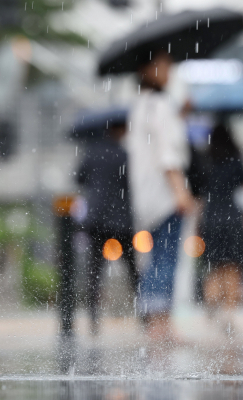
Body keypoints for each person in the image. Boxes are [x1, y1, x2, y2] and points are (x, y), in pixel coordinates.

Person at [126, 50, 194, 343]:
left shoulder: (141, 105)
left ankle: (155, 321)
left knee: (155, 257)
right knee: (166, 257)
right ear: (147, 70)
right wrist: (181, 191)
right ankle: (160, 324)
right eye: (162, 64)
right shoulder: (161, 104)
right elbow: (168, 154)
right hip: (165, 194)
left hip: (145, 195)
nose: (168, 70)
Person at [76, 121, 138, 336]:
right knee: (132, 269)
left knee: (95, 271)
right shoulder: (125, 155)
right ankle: (144, 316)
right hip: (122, 220)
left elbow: (79, 178)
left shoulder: (92, 153)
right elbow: (133, 183)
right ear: (119, 130)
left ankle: (93, 319)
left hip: (97, 219)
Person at [199, 123, 243, 332]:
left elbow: (199, 188)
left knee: (214, 264)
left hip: (210, 218)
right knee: (233, 266)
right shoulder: (236, 160)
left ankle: (211, 302)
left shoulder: (206, 160)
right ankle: (228, 313)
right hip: (232, 217)